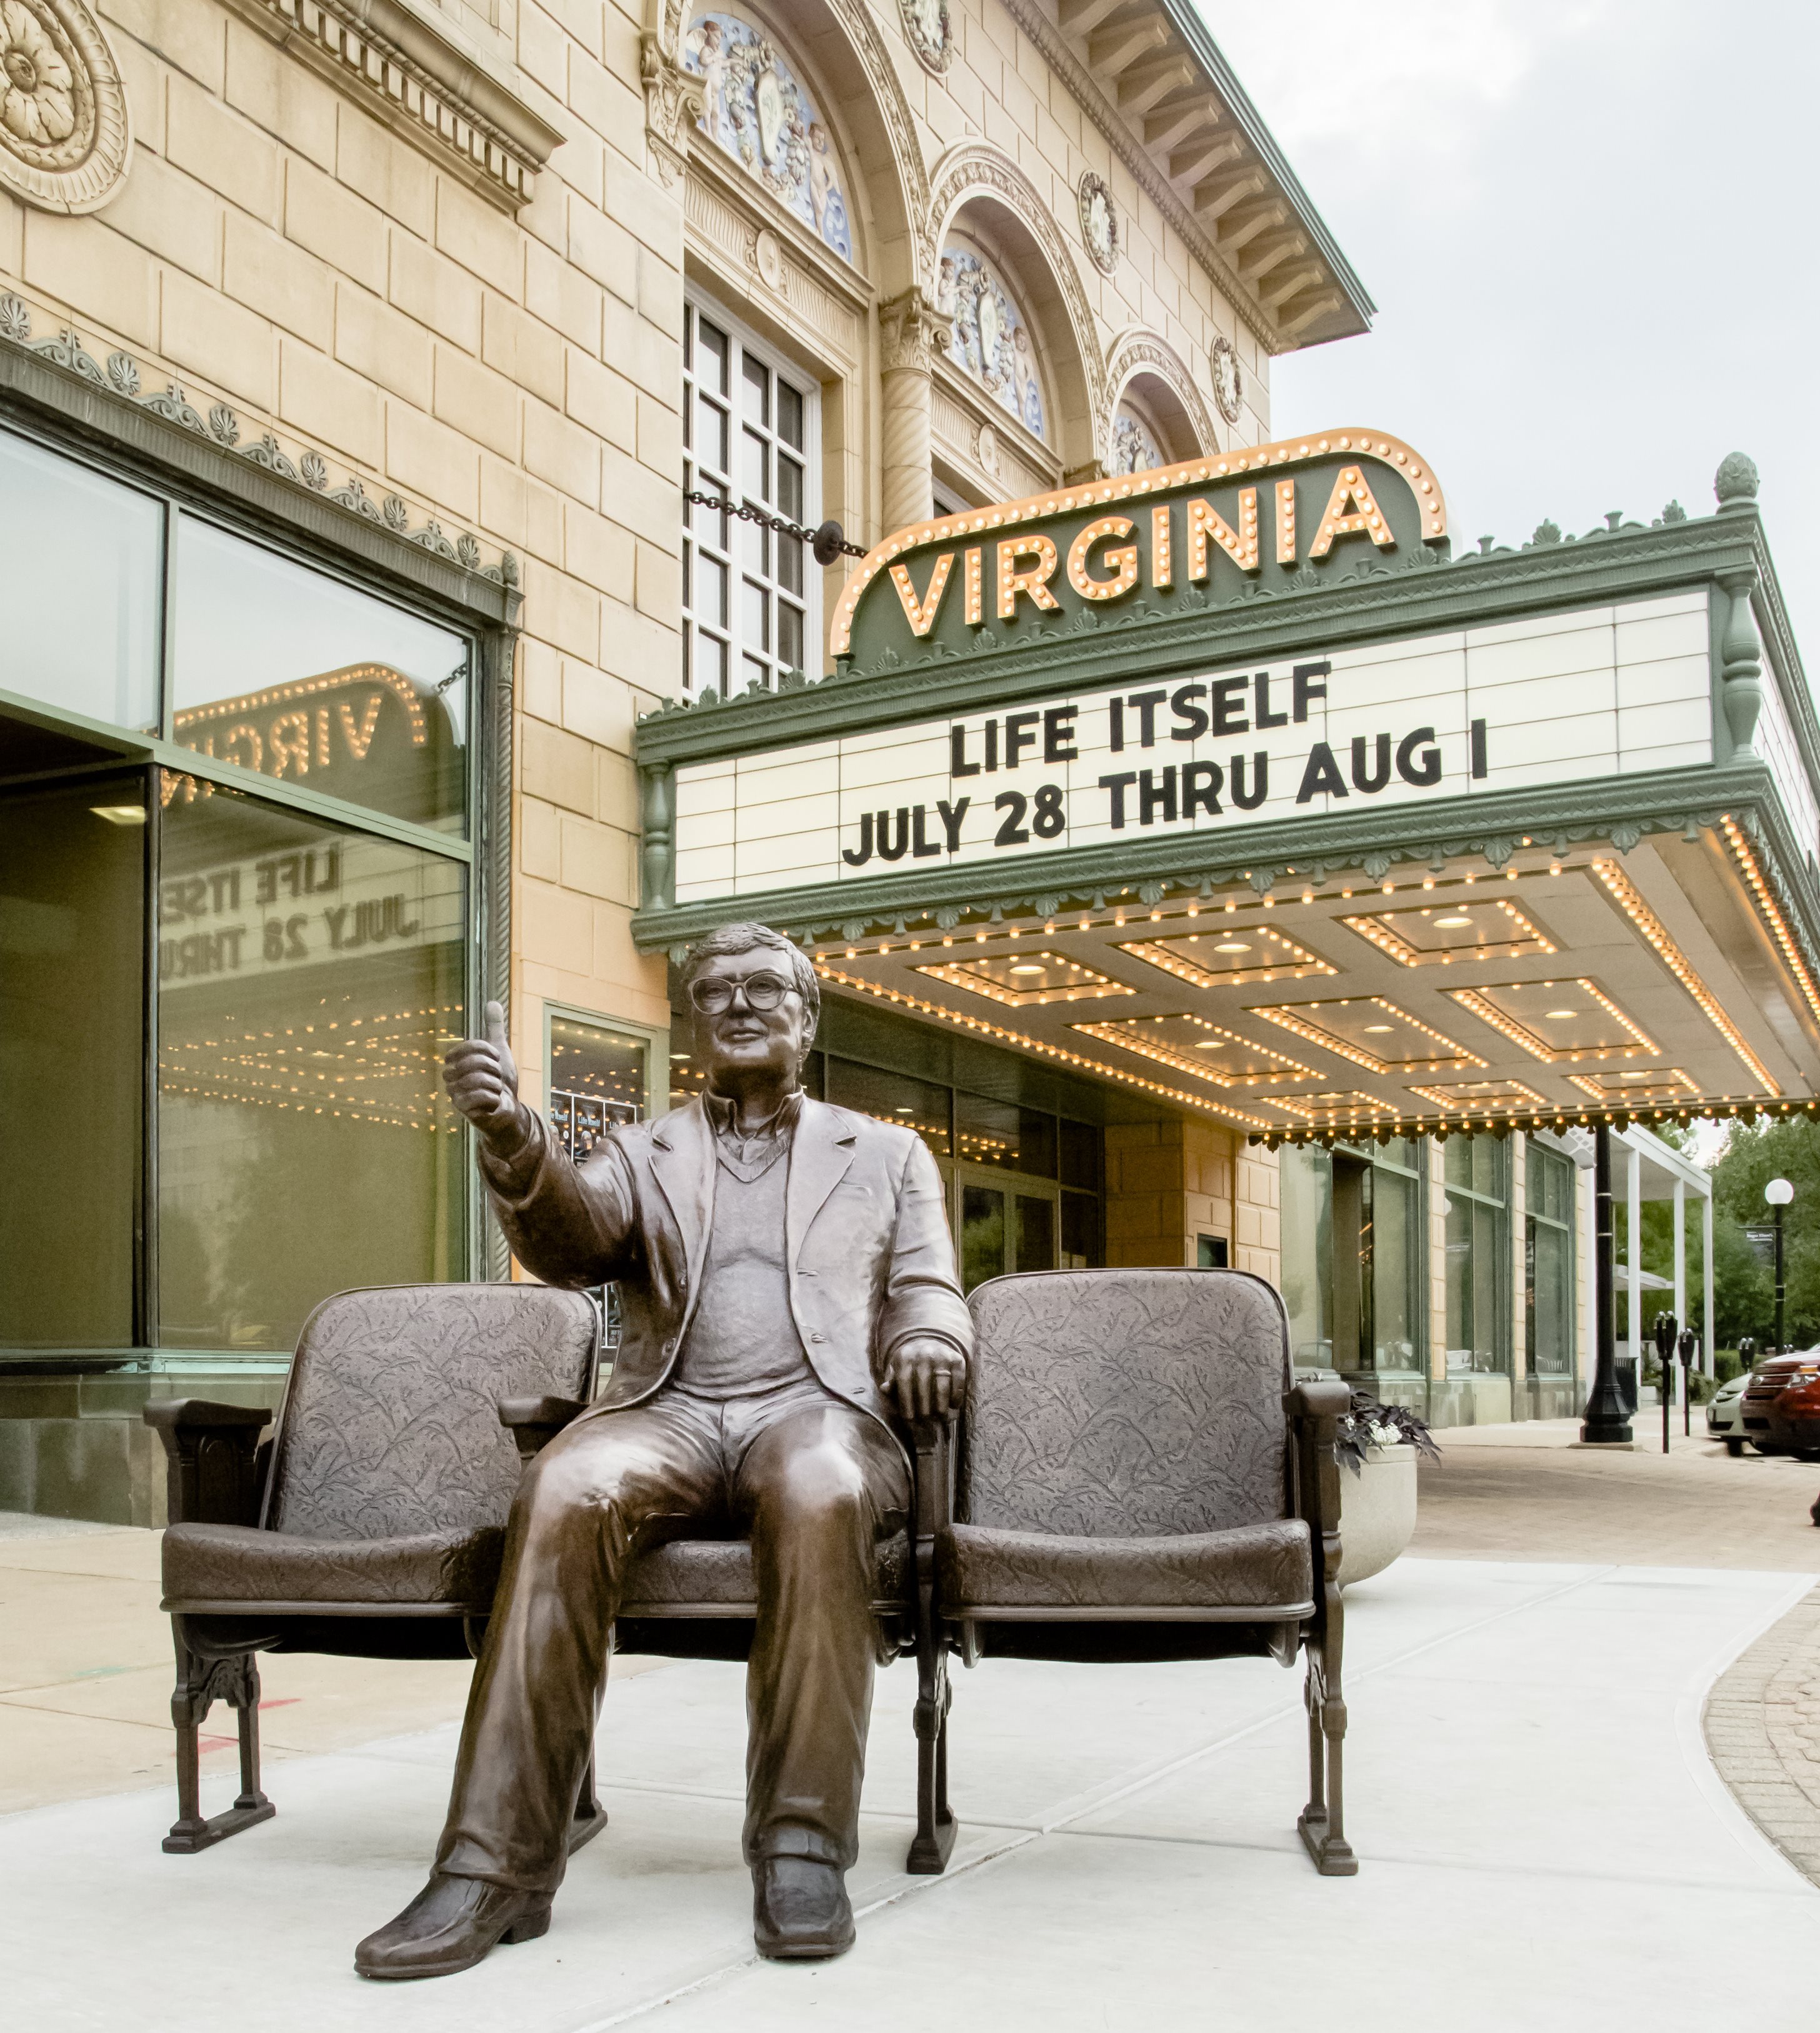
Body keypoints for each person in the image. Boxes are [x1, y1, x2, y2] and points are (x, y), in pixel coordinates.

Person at [355, 922, 971, 1981]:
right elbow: (571, 1241)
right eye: (715, 990)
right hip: (672, 1411)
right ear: (693, 1020)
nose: (738, 1004)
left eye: (763, 986)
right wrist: (515, 1138)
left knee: (819, 1486)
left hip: (816, 1411)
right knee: (560, 1484)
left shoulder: (887, 1153)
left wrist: (926, 1337)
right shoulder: (646, 1151)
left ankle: (802, 1844)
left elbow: (928, 1285)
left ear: (808, 1014)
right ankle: (494, 1864)